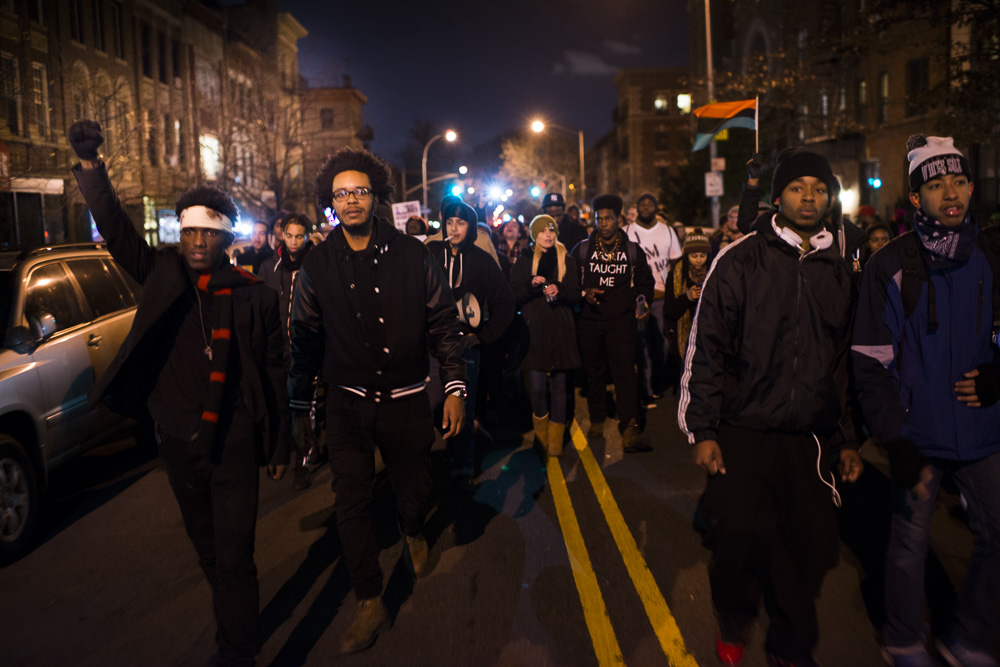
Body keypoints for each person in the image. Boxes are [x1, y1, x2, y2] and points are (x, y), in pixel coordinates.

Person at [68, 120, 288, 667]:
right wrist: (92, 167)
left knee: (235, 553)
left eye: (209, 233)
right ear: (177, 236)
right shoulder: (161, 274)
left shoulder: (254, 297)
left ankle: (239, 649)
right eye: (188, 233)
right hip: (175, 438)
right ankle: (234, 622)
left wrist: (280, 443)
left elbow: (274, 371)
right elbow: (117, 230)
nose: (196, 242)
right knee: (208, 548)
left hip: (234, 437)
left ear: (227, 239)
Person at [679, 146, 865, 667]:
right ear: (778, 196)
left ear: (829, 198)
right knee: (737, 534)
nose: (810, 197)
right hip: (744, 428)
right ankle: (734, 615)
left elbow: (842, 364)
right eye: (799, 187)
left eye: (820, 189)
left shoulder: (838, 270)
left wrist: (847, 438)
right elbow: (706, 347)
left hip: (809, 435)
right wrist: (704, 430)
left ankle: (791, 644)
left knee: (808, 547)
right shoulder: (739, 259)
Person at [289, 147, 467, 654]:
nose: (350, 201)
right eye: (340, 194)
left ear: (376, 197)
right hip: (346, 404)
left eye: (359, 191)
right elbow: (304, 338)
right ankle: (369, 600)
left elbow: (444, 325)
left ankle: (413, 529)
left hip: (408, 399)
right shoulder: (316, 265)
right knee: (351, 502)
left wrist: (454, 388)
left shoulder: (415, 255)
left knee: (414, 490)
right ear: (330, 202)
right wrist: (300, 409)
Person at [852, 135, 1000, 667]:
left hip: (983, 430)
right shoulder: (890, 264)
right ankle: (902, 638)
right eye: (936, 185)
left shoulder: (988, 254)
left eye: (958, 181)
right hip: (920, 433)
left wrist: (996, 375)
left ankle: (968, 638)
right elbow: (869, 359)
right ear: (916, 198)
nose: (951, 193)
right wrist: (895, 437)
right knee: (910, 544)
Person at [426, 201, 514, 493]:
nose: (454, 229)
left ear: (471, 227)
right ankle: (467, 438)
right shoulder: (430, 255)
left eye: (460, 223)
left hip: (466, 347)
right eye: (449, 222)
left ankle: (462, 463)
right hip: (432, 347)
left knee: (462, 401)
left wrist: (484, 336)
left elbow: (505, 303)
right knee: (434, 404)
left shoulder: (481, 260)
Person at [572, 193, 654, 451]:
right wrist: (584, 293)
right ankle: (596, 419)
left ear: (618, 219)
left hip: (621, 322)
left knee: (625, 374)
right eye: (599, 219)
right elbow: (571, 284)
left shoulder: (632, 250)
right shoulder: (582, 249)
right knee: (594, 372)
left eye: (608, 218)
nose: (603, 223)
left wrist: (642, 302)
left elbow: (645, 283)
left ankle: (630, 425)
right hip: (590, 321)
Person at [511, 215, 581, 456]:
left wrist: (559, 289)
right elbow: (514, 296)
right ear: (534, 234)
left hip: (562, 329)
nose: (548, 235)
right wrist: (531, 285)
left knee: (560, 386)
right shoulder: (523, 261)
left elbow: (575, 295)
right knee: (539, 388)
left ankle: (555, 442)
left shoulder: (567, 260)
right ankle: (541, 436)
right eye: (542, 231)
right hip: (534, 331)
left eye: (551, 230)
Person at [259, 214, 315, 490]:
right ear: (282, 235)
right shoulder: (270, 267)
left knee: (302, 407)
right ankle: (279, 453)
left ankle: (302, 463)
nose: (293, 242)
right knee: (279, 404)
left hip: (305, 348)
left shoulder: (316, 266)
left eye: (299, 236)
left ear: (307, 237)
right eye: (289, 235)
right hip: (275, 347)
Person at [626, 192, 682, 405]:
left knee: (663, 345)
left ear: (656, 207)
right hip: (637, 297)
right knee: (642, 345)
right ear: (638, 208)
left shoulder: (667, 231)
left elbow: (676, 264)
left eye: (651, 204)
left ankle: (657, 382)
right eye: (643, 204)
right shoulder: (627, 232)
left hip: (661, 297)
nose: (647, 207)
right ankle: (646, 390)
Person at [663, 228, 710, 363]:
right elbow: (670, 309)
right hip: (683, 335)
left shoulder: (714, 271)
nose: (699, 260)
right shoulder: (677, 274)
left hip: (707, 333)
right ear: (686, 255)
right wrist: (687, 297)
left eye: (702, 255)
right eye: (694, 256)